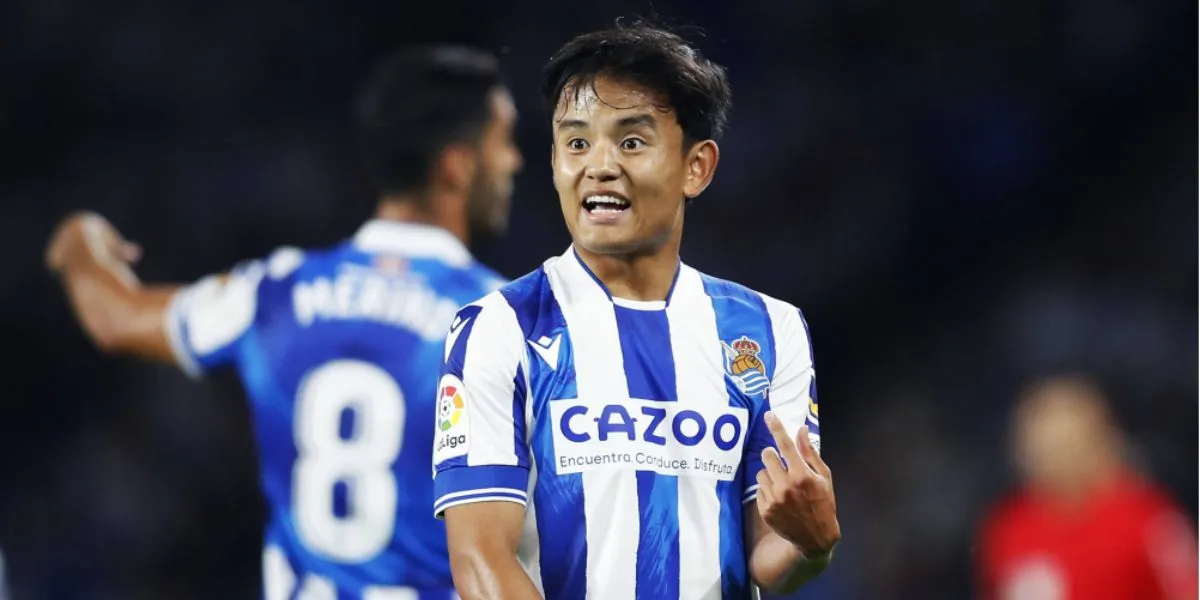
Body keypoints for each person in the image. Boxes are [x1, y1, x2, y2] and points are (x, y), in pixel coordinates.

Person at [45, 45, 523, 600]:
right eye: (504, 141)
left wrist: (76, 242)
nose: (515, 161)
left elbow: (113, 317)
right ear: (457, 166)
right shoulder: (504, 321)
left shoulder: (274, 291)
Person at [430, 22, 840, 599]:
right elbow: (480, 559)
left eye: (630, 142)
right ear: (554, 161)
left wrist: (810, 545)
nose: (599, 166)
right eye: (577, 143)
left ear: (697, 167)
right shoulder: (500, 327)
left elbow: (769, 556)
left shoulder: (769, 330)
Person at [976, 374, 1198, 600]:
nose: (1054, 462)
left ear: (1099, 442)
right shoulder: (1009, 527)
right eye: (1043, 449)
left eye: (1066, 446)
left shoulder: (1149, 519)